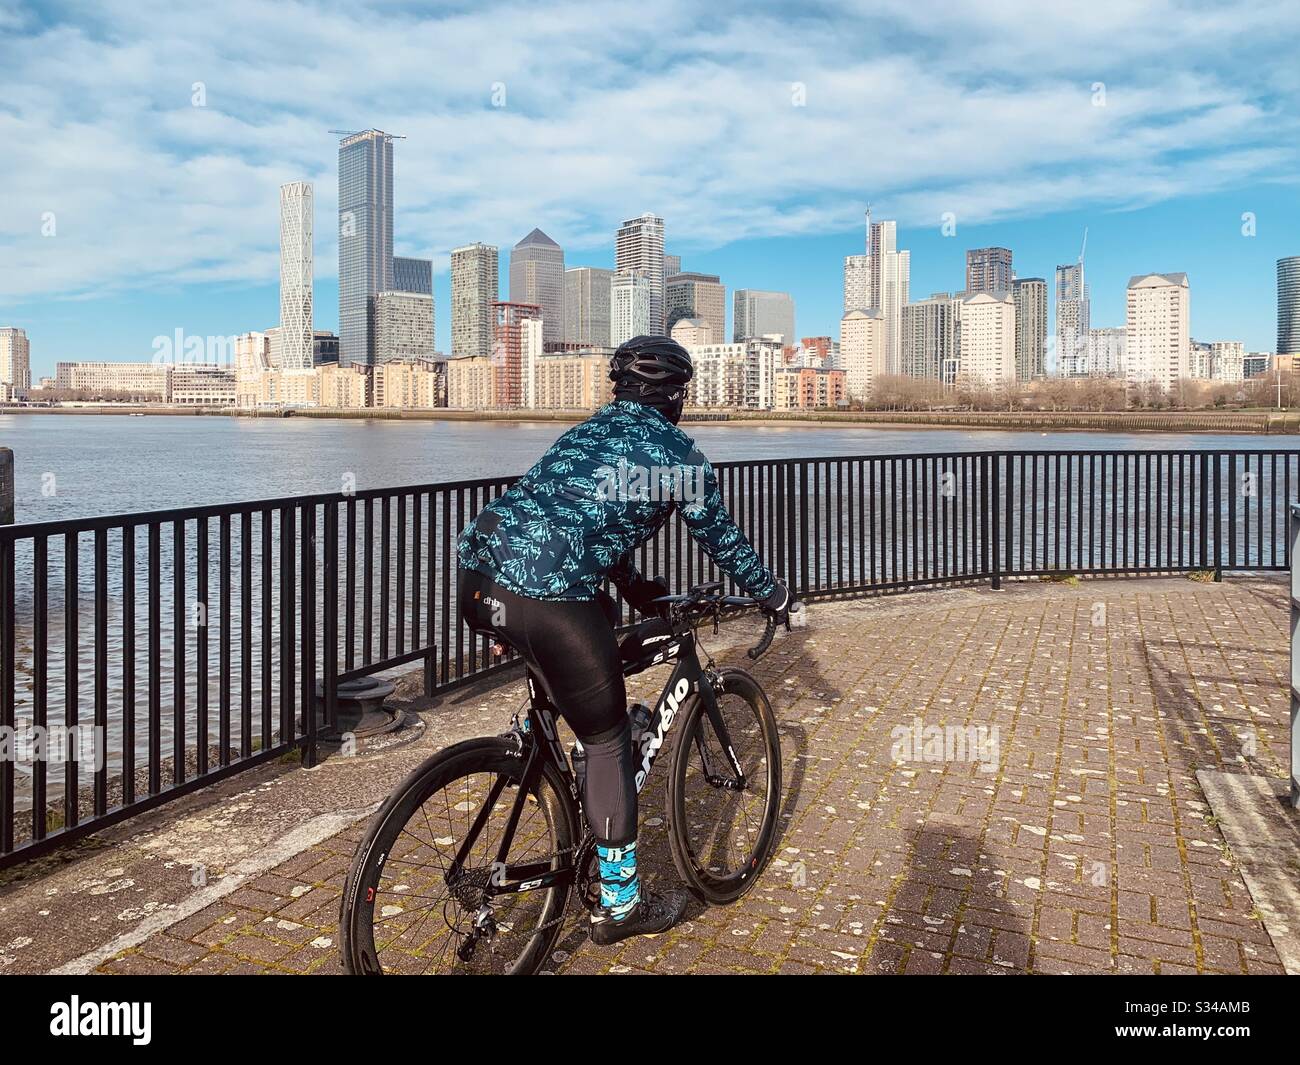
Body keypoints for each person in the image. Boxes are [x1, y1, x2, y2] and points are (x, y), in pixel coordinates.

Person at [457, 335, 791, 945]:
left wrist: (637, 588)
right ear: (677, 395)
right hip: (550, 601)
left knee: (582, 662)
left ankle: (548, 757)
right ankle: (620, 908)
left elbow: (579, 525)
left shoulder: (582, 436)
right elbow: (720, 540)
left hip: (479, 583)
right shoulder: (679, 458)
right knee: (609, 741)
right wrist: (773, 593)